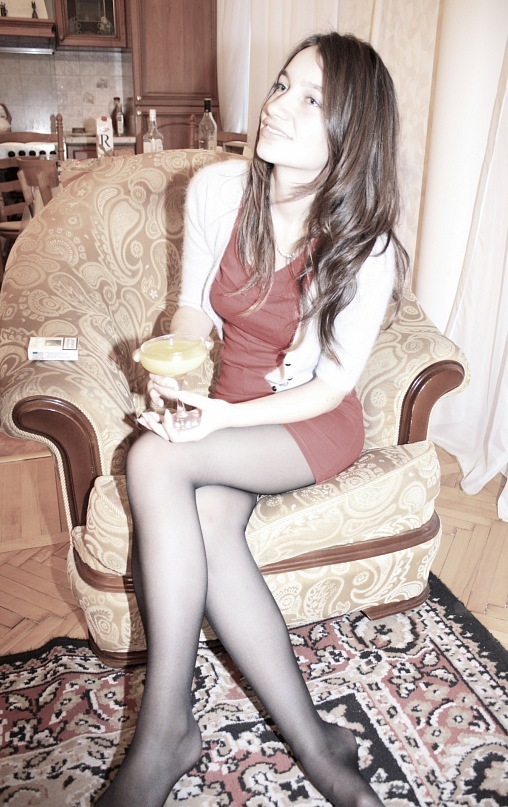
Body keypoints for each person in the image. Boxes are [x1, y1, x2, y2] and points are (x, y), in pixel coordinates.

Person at [96, 31, 408, 807]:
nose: (277, 106)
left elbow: (330, 386)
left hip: (307, 420)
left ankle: (164, 733)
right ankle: (318, 743)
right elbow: (193, 309)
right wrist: (176, 366)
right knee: (203, 514)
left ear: (352, 134)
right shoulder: (217, 190)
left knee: (154, 458)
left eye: (312, 99)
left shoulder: (367, 248)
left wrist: (214, 423)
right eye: (281, 85)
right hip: (230, 403)